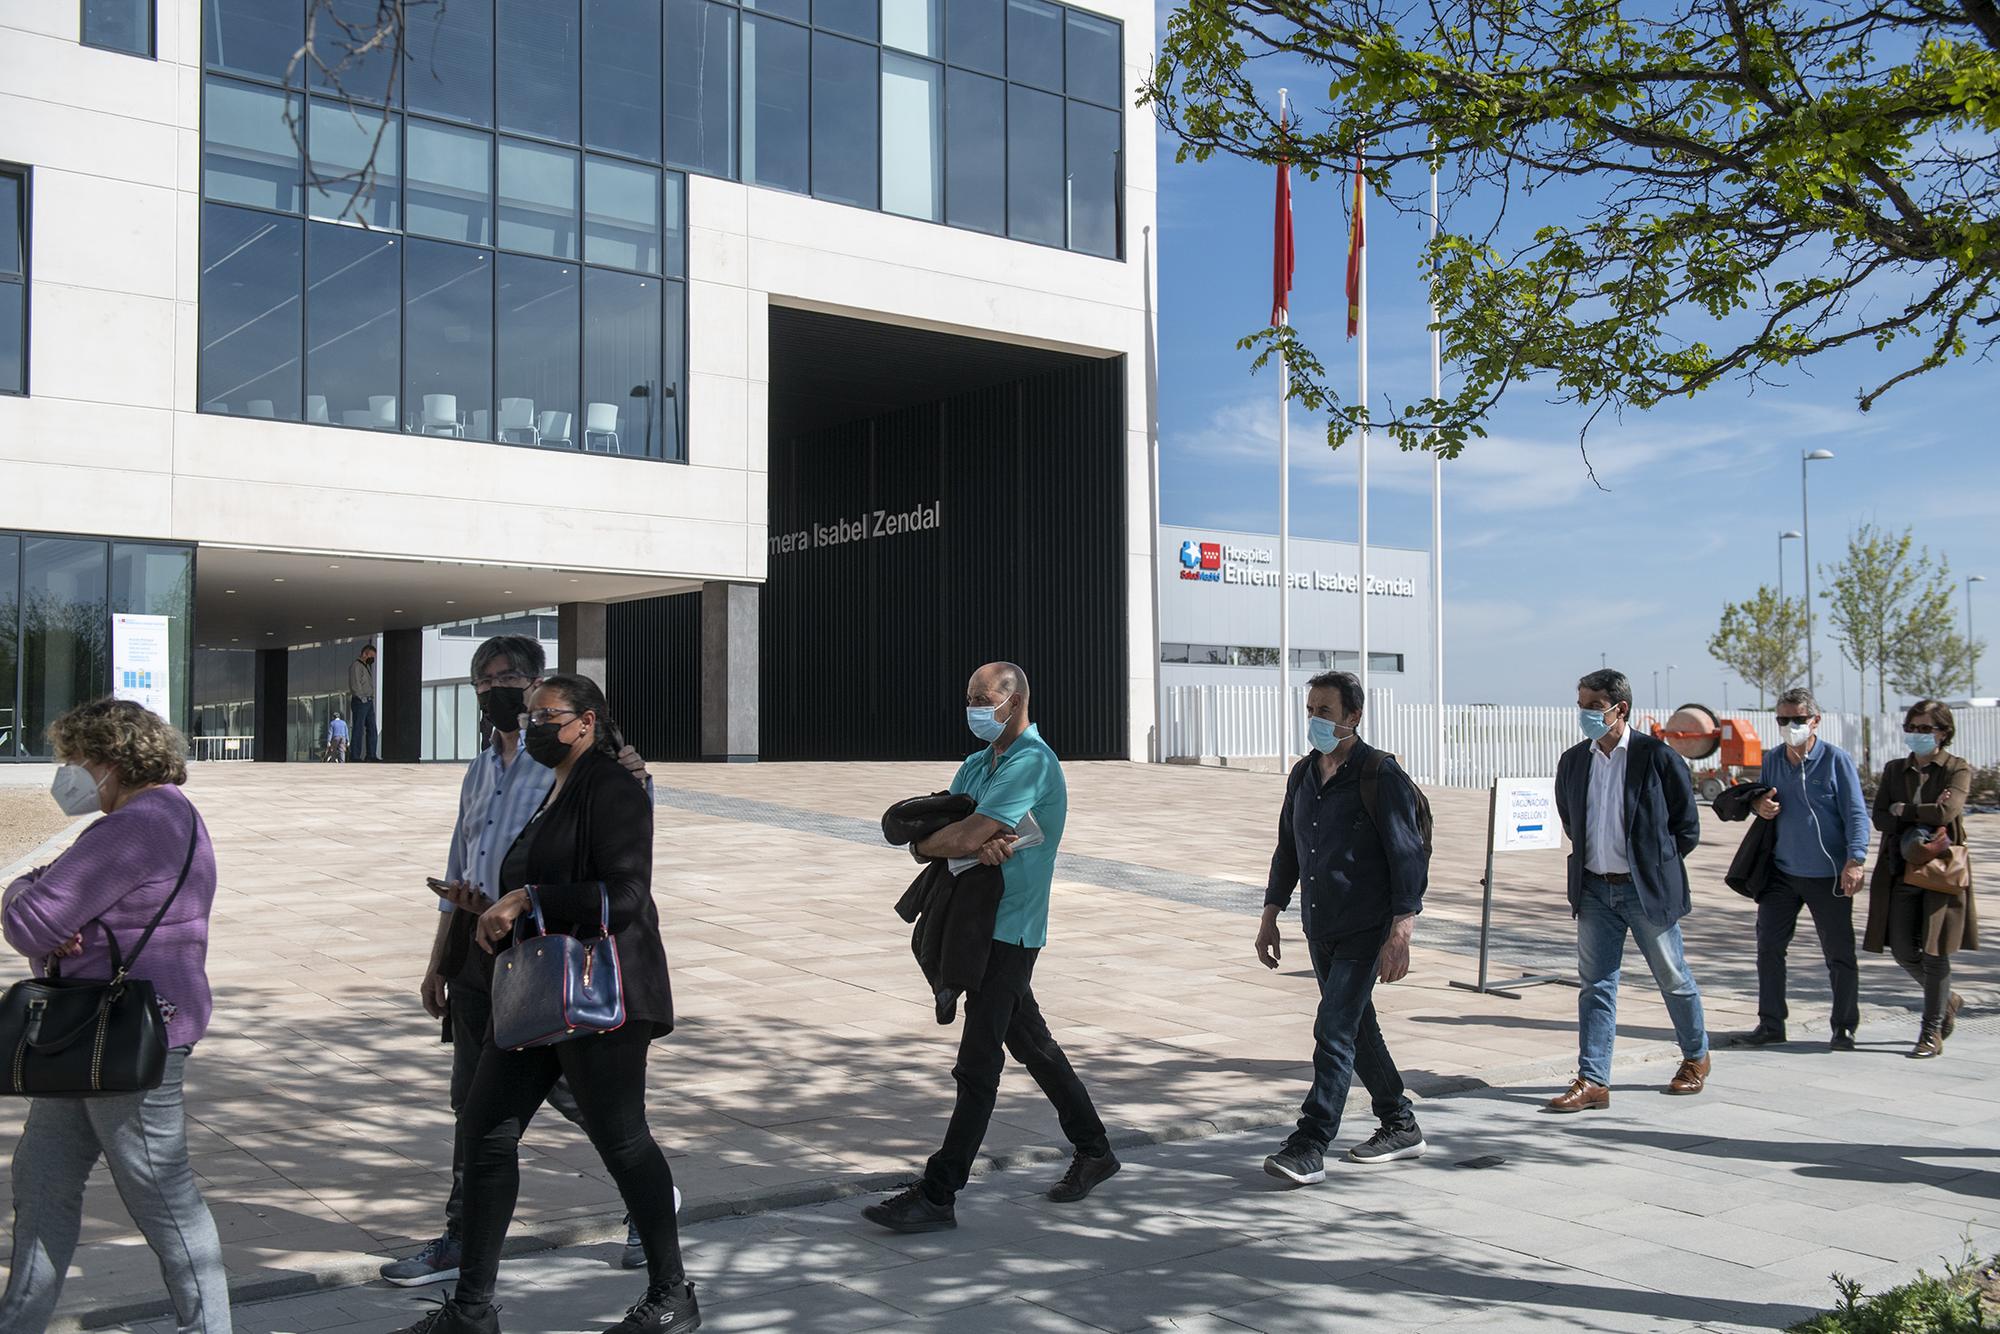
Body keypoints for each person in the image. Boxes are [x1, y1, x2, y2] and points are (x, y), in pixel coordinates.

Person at [393, 673, 695, 1334]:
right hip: (543, 992)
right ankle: (472, 1310)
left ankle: (672, 1295)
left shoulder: (611, 787)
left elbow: (626, 896)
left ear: (587, 721)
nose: (533, 725)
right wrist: (489, 908)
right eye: (531, 715)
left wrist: (528, 900)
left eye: (546, 714)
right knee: (484, 1127)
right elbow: (546, 877)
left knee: (621, 1138)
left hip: (603, 994)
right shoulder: (556, 789)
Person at [1, 699, 231, 1334]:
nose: (69, 774)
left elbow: (31, 919)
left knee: (162, 1196)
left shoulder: (136, 825)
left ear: (112, 759)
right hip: (89, 1036)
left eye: (76, 759)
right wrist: (37, 891)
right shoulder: (164, 814)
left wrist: (23, 894)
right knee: (43, 1180)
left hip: (123, 1037)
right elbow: (49, 898)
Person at [863, 663, 1118, 1233]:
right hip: (979, 924)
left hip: (1012, 928)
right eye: (971, 698)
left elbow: (960, 833)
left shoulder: (1031, 763)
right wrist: (949, 841)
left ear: (1016, 701)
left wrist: (953, 839)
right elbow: (935, 834)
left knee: (978, 1063)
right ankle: (1095, 1149)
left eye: (984, 699)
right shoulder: (979, 764)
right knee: (1033, 1043)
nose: (975, 709)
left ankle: (939, 1192)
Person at [1256, 671, 1429, 1185]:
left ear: (1353, 716)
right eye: (1310, 710)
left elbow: (1408, 858)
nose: (1314, 720)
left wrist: (1401, 933)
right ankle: (1400, 1123)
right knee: (1356, 1026)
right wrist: (1271, 913)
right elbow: (1289, 848)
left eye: (1324, 712)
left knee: (1333, 1028)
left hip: (1365, 926)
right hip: (1319, 924)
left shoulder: (1380, 776)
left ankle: (1310, 1143)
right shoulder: (1304, 775)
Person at [1547, 669, 1711, 1112]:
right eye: (1580, 704)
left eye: (1594, 706)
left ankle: (1696, 1057)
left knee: (1673, 977)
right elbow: (1571, 821)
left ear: (1620, 709)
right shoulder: (1574, 761)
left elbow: (1686, 829)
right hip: (1595, 890)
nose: (1584, 713)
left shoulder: (1657, 757)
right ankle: (1594, 1079)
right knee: (1595, 986)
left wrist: (1651, 866)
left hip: (1645, 892)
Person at [1736, 687, 1870, 1050]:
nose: (1790, 725)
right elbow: (1764, 803)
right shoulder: (1774, 760)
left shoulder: (1836, 760)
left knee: (1839, 952)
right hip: (1781, 872)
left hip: (1828, 874)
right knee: (1769, 947)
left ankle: (1844, 1026)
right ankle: (1771, 1023)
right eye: (1783, 720)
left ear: (1815, 721)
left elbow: (1857, 813)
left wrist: (1855, 860)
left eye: (1797, 719)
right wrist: (1759, 807)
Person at [1865, 699, 1978, 1058]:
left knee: (1934, 951)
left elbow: (1948, 811)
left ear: (1943, 732)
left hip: (1940, 869)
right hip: (1900, 868)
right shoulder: (1895, 769)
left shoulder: (1957, 769)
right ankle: (1948, 999)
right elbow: (1880, 817)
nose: (1916, 734)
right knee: (1901, 949)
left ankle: (1931, 1032)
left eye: (1925, 728)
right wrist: (1917, 814)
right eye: (1911, 727)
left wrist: (1906, 810)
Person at [350, 642, 380, 761]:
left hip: (368, 701)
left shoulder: (365, 666)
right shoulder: (356, 666)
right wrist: (362, 697)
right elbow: (355, 684)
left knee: (372, 729)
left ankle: (371, 755)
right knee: (358, 729)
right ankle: (355, 756)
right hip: (360, 701)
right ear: (364, 654)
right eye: (371, 656)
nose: (372, 659)